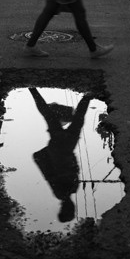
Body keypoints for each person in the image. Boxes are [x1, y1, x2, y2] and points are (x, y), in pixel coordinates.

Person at [29, 88, 92, 223]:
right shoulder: (61, 192)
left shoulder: (68, 190)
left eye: (70, 209)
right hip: (59, 149)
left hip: (65, 148)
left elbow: (73, 168)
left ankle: (88, 96)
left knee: (77, 119)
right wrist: (44, 155)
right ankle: (32, 90)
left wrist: (68, 155)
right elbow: (50, 173)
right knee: (49, 116)